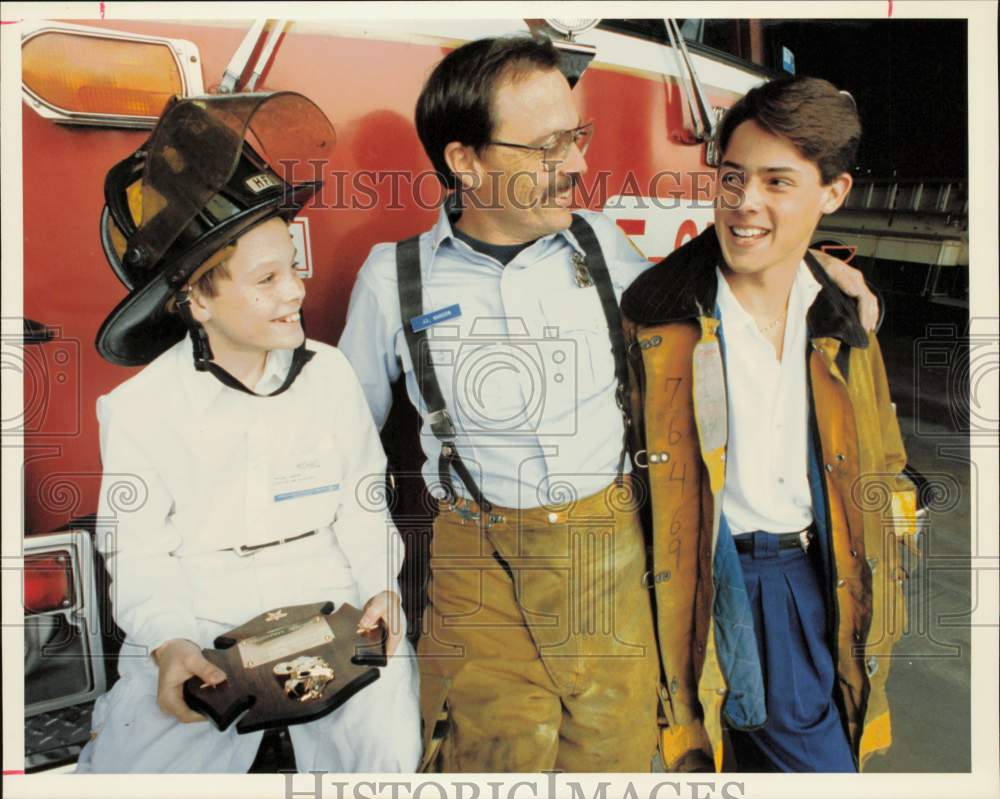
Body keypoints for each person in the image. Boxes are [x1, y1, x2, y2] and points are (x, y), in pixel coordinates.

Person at [338, 37, 877, 773]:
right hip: (478, 571)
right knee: (488, 761)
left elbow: (732, 258)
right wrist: (365, 580)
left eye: (578, 135)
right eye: (549, 145)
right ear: (466, 160)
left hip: (612, 562)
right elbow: (343, 447)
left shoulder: (605, 251)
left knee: (617, 757)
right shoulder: (390, 281)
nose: (579, 164)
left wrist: (814, 260)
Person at [76, 93, 421, 773]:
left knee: (380, 756)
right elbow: (142, 559)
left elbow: (361, 507)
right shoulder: (141, 408)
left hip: (337, 609)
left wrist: (381, 589)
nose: (295, 291)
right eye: (266, 278)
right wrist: (170, 643)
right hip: (205, 619)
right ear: (197, 299)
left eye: (292, 265)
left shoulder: (331, 375)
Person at [620, 76, 918, 773]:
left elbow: (883, 456)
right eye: (732, 176)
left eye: (777, 182)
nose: (744, 202)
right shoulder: (654, 314)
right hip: (702, 578)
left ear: (833, 193)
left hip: (815, 577)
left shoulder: (842, 322)